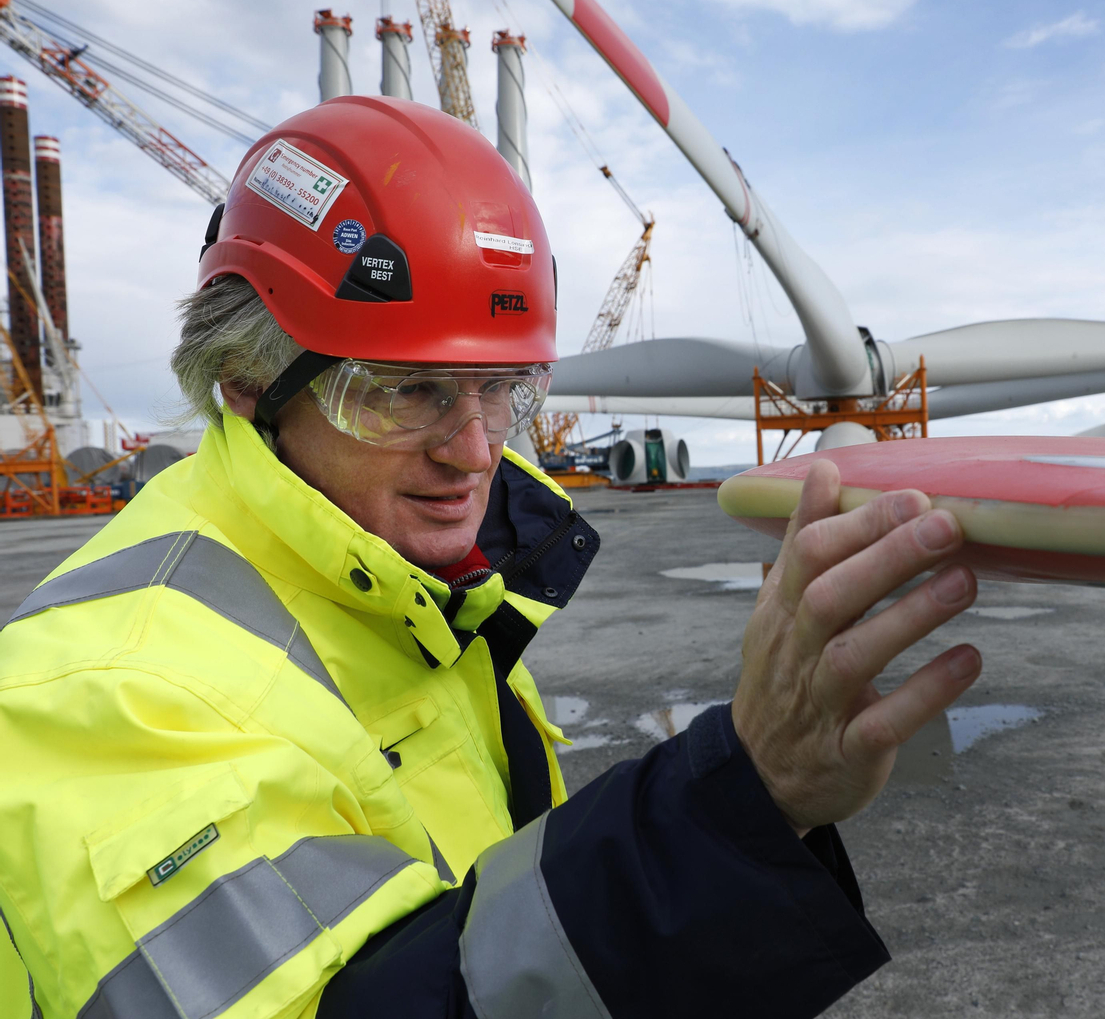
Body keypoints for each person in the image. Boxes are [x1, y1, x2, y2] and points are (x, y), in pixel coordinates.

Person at [0, 96, 981, 1019]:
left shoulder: (410, 589)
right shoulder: (113, 697)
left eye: (500, 387)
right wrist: (735, 806)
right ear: (249, 380)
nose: (475, 449)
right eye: (405, 390)